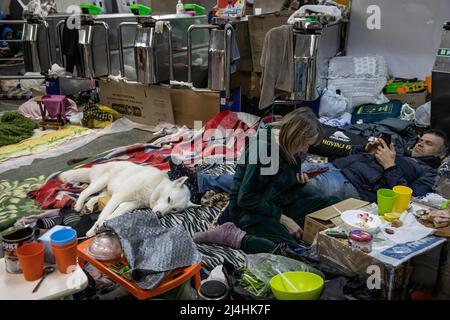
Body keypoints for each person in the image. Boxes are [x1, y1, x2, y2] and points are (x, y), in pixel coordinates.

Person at [193, 108, 339, 254]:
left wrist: (298, 183)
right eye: (306, 144)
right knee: (289, 250)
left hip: (275, 205)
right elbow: (246, 198)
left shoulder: (291, 150)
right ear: (296, 136)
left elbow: (277, 186)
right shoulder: (263, 148)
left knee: (332, 204)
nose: (306, 149)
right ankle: (230, 235)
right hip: (249, 212)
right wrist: (284, 219)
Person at [300, 129, 449, 202]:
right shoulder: (399, 152)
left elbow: (410, 200)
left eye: (428, 143)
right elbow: (350, 155)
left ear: (440, 155)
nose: (421, 144)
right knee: (287, 169)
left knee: (297, 182)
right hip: (336, 167)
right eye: (421, 141)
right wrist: (366, 151)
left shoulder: (432, 174)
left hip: (352, 185)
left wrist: (390, 166)